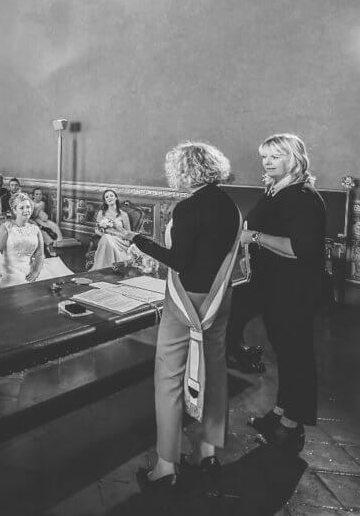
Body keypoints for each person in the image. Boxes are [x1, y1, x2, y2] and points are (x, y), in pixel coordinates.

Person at [107, 142, 240, 492]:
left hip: (187, 301)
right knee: (213, 369)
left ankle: (166, 465)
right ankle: (208, 452)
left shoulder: (188, 208)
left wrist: (137, 240)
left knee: (169, 376)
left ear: (184, 171)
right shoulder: (230, 205)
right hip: (219, 298)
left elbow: (179, 261)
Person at [238, 134, 326, 453]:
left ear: (295, 158)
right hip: (273, 287)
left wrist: (255, 237)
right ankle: (280, 411)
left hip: (294, 290)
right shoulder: (276, 191)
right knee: (284, 353)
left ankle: (293, 424)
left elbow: (299, 249)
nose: (268, 161)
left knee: (296, 355)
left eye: (277, 155)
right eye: (265, 156)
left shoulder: (302, 196)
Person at [0, 193, 72, 287]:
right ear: (14, 210)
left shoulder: (35, 228)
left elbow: (40, 254)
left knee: (57, 282)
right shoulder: (6, 227)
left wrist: (36, 271)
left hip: (31, 267)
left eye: (28, 207)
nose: (26, 211)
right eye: (21, 208)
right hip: (11, 269)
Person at [90, 189, 132, 269]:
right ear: (105, 201)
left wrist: (116, 229)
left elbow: (128, 233)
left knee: (107, 238)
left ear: (116, 198)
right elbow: (96, 229)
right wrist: (104, 234)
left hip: (121, 240)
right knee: (106, 238)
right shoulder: (101, 213)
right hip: (105, 238)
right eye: (107, 197)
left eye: (111, 196)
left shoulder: (123, 215)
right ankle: (104, 268)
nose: (109, 198)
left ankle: (112, 266)